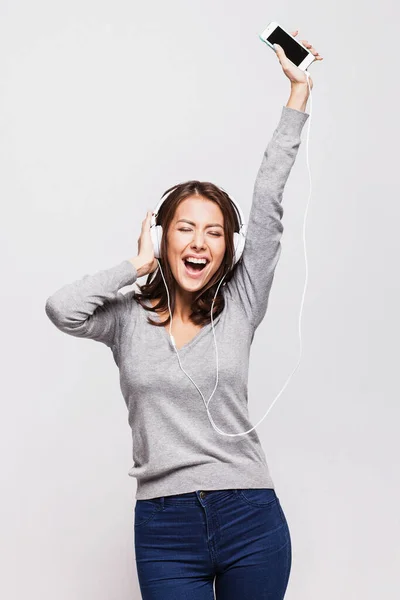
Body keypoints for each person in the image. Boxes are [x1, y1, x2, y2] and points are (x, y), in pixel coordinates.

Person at [45, 30, 322, 600]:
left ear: (227, 247)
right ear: (165, 237)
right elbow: (61, 309)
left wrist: (298, 94)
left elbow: (267, 199)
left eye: (215, 232)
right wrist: (134, 263)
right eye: (186, 228)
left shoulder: (243, 303)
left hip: (251, 516)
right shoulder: (126, 318)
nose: (200, 242)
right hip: (165, 526)